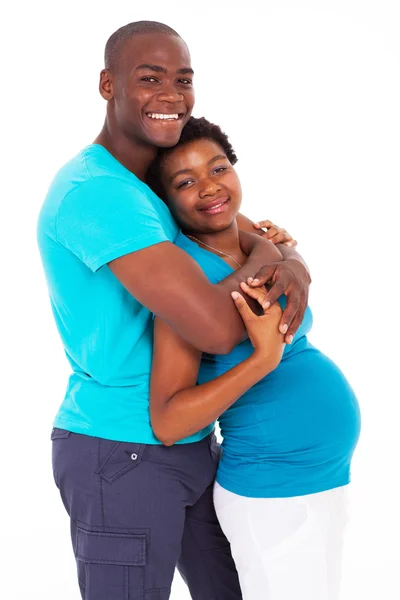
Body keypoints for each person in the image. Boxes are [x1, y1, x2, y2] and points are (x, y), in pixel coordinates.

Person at [37, 21, 311, 600]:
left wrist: (281, 251)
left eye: (183, 79)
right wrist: (277, 257)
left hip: (191, 441)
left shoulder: (146, 184)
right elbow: (212, 327)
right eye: (150, 78)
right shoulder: (98, 193)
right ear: (108, 85)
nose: (172, 94)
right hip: (122, 451)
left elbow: (235, 226)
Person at [147, 116, 361, 600]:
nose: (209, 187)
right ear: (165, 202)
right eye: (185, 182)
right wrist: (261, 361)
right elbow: (169, 421)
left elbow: (288, 260)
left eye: (217, 168)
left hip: (324, 478)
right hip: (272, 490)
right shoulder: (187, 282)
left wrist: (288, 256)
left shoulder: (250, 242)